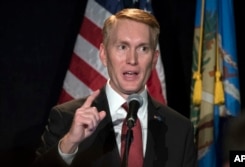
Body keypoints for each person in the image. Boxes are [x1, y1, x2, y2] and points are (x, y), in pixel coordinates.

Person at [32, 8, 197, 167]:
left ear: (154, 59)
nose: (132, 59)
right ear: (103, 54)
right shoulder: (66, 118)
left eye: (143, 48)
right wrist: (69, 143)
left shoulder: (180, 129)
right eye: (122, 47)